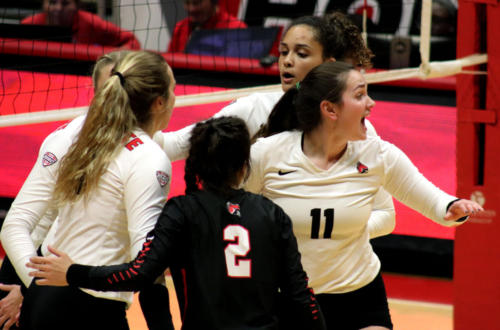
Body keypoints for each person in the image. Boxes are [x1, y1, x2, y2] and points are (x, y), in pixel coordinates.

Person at [243, 61, 484, 330]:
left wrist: (452, 207)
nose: (371, 103)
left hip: (357, 294)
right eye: (359, 95)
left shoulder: (376, 154)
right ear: (330, 109)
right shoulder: (267, 154)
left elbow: (435, 201)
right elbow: (231, 213)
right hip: (285, 299)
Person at [27, 116, 327, 330]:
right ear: (244, 166)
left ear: (196, 164)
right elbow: (300, 295)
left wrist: (73, 273)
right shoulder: (272, 214)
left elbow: (139, 274)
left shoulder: (184, 211)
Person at [158, 12, 394, 240]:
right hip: (262, 263)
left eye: (301, 54)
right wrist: (129, 130)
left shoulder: (357, 128)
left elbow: (385, 214)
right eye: (283, 52)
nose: (287, 61)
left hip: (336, 272)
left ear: (327, 65)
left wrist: (337, 234)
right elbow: (174, 145)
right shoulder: (254, 108)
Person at [0, 50, 175, 329]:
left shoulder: (83, 139)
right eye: (174, 89)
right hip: (90, 306)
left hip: (47, 298)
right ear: (159, 102)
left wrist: (37, 286)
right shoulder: (149, 158)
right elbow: (146, 267)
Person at [21, 0, 141, 49]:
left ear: (76, 6)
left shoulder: (90, 23)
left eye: (65, 3)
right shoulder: (30, 25)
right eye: (52, 2)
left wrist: (112, 58)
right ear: (44, 4)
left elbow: (131, 41)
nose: (58, 8)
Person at [168, 0, 247, 52]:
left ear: (213, 1)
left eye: (197, 3)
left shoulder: (236, 29)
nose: (191, 9)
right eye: (187, 3)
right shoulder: (181, 27)